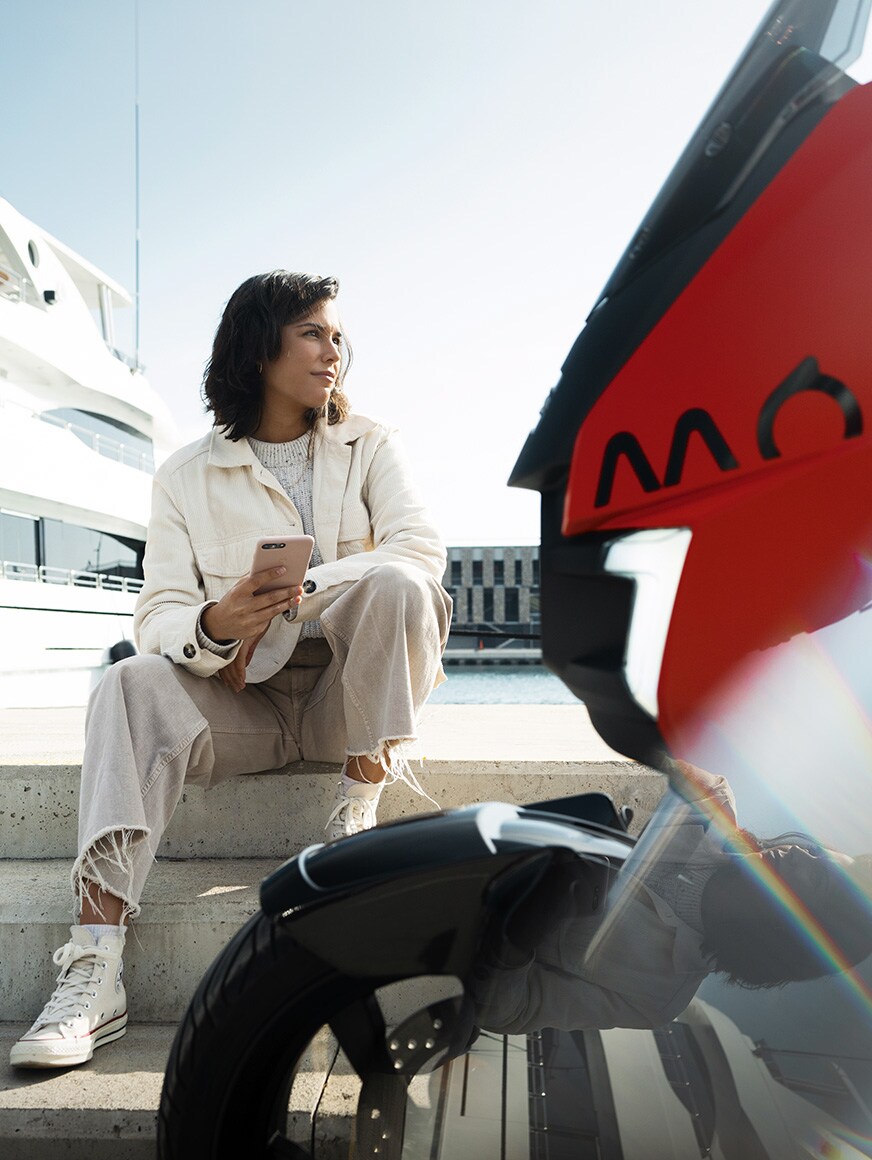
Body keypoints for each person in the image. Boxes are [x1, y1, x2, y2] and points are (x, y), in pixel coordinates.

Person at [11, 270, 451, 1069]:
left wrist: (296, 596)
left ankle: (357, 805)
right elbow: (157, 616)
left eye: (338, 336)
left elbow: (419, 555)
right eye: (314, 333)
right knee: (126, 681)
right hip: (237, 704)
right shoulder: (184, 475)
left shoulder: (371, 444)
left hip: (346, 702)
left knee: (395, 581)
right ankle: (94, 970)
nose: (334, 351)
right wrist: (215, 626)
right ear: (259, 351)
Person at [472, 763, 872, 1033]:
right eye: (816, 852)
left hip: (447, 908)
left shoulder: (656, 999)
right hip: (476, 814)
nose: (800, 853)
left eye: (818, 877)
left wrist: (517, 937)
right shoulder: (705, 800)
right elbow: (598, 740)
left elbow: (508, 1012)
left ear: (793, 937)